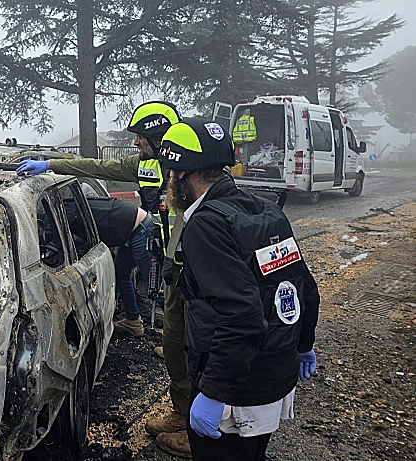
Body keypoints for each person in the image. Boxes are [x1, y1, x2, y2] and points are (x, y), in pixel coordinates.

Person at [158, 118, 320, 460]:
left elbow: (242, 314)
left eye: (172, 174)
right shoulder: (266, 209)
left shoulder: (205, 225)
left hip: (237, 394)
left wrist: (213, 392)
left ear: (183, 174)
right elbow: (305, 287)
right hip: (278, 375)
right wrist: (304, 344)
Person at [17, 101, 181, 337]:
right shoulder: (141, 164)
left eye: (140, 137)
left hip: (175, 247)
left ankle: (178, 345)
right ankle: (135, 322)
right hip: (151, 237)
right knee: (121, 272)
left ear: (157, 137)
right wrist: (50, 165)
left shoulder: (190, 169)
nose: (135, 142)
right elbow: (96, 166)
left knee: (168, 294)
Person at [63, 192, 154, 337]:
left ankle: (179, 333)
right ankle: (133, 322)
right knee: (121, 274)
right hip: (130, 231)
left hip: (140, 229)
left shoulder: (71, 216)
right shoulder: (72, 208)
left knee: (153, 285)